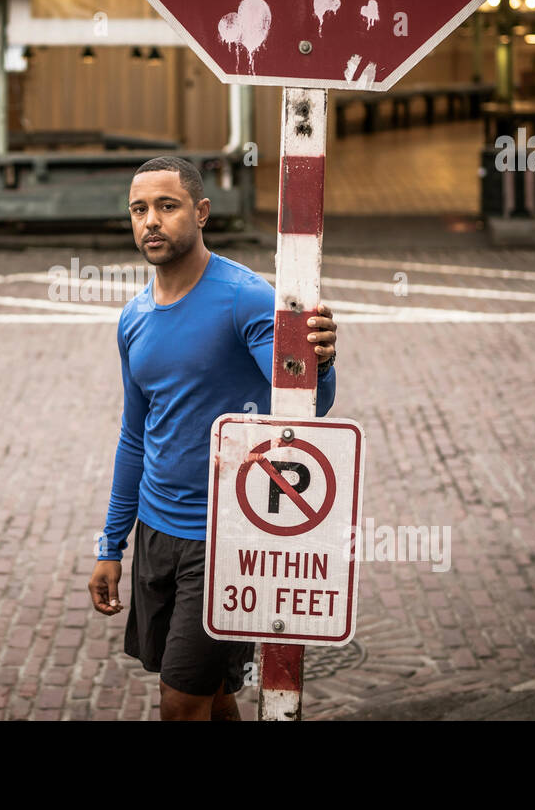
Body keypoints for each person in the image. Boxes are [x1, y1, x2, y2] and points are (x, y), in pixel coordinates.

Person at [87, 155, 337, 721]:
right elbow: (134, 437)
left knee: (179, 704)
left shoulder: (243, 298)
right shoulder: (133, 318)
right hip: (155, 532)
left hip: (223, 540)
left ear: (201, 212)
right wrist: (111, 546)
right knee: (213, 696)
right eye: (139, 209)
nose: (151, 221)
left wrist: (322, 359)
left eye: (167, 206)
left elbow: (309, 406)